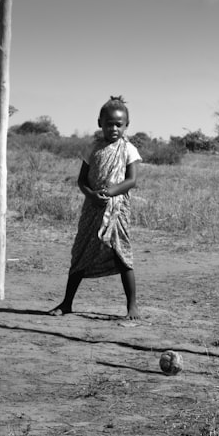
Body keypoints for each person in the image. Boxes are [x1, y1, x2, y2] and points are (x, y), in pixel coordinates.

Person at [49, 96, 142, 319]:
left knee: (122, 254)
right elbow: (82, 180)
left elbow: (131, 181)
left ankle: (132, 307)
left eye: (119, 124)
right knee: (81, 251)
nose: (113, 128)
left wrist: (110, 192)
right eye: (109, 123)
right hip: (92, 208)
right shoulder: (92, 149)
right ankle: (67, 303)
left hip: (117, 210)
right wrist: (91, 194)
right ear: (99, 122)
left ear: (126, 125)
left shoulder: (128, 149)